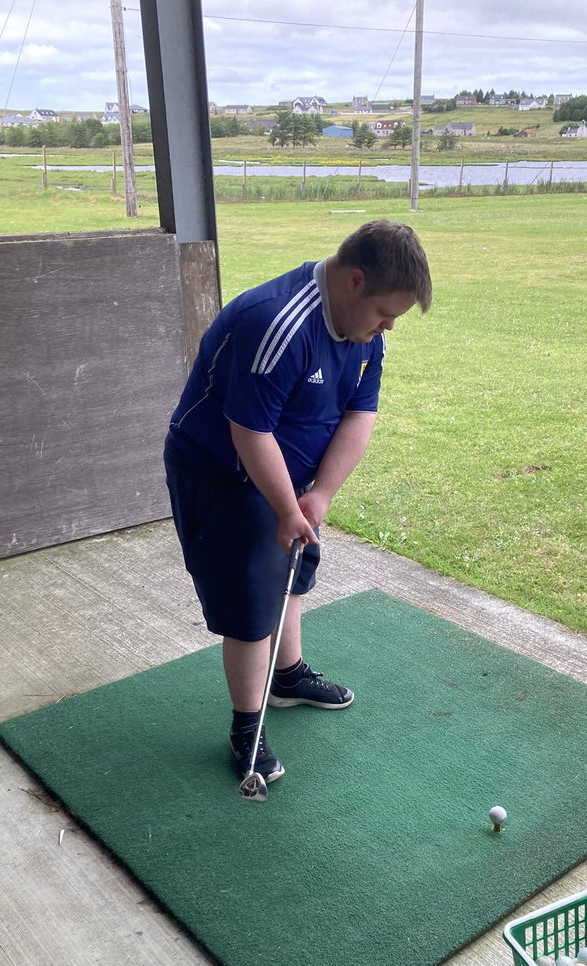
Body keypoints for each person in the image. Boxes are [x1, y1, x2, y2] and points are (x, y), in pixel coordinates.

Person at [164, 219, 432, 783]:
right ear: (355, 282)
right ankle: (248, 727)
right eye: (386, 313)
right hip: (221, 473)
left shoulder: (366, 334)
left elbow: (361, 413)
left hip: (290, 475)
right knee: (250, 606)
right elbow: (248, 432)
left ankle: (286, 677)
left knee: (291, 571)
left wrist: (320, 494)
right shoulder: (277, 322)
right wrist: (287, 508)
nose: (388, 328)